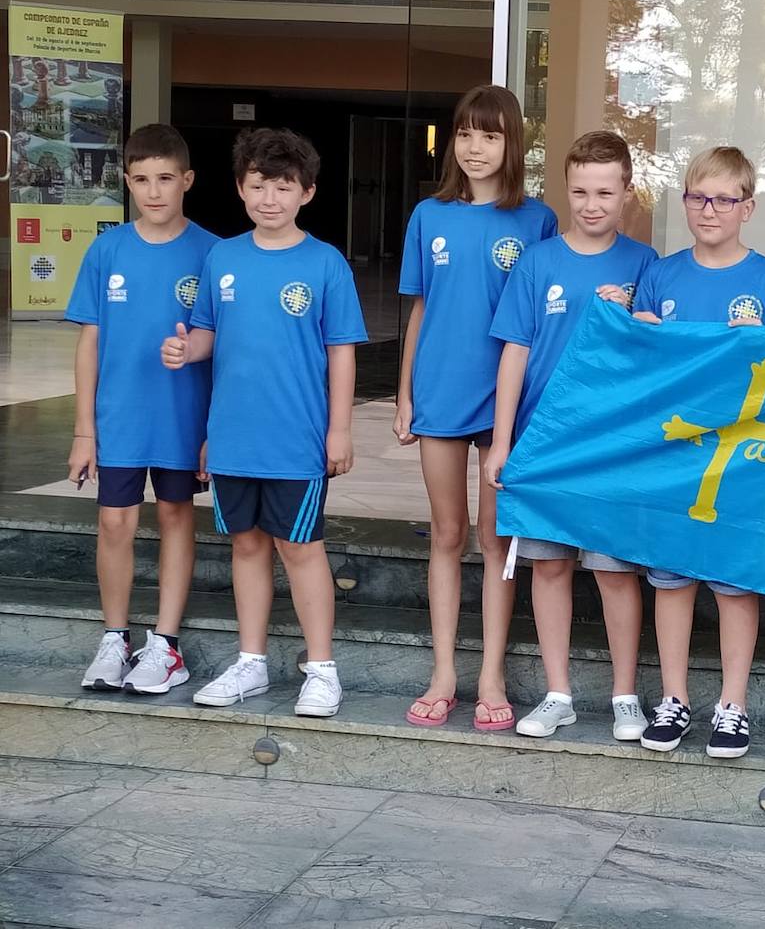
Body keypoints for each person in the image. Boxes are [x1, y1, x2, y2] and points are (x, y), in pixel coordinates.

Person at [162, 127, 368, 719]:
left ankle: (321, 668)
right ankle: (250, 662)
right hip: (233, 439)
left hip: (296, 439)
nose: (269, 198)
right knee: (247, 547)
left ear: (306, 192)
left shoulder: (325, 263)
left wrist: (340, 429)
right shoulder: (222, 257)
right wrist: (186, 351)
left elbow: (342, 352)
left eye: (283, 187)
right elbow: (206, 334)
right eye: (258, 186)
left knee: (301, 548)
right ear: (239, 188)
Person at [394, 85, 557, 731]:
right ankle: (443, 672)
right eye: (465, 134)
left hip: (504, 405)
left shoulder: (536, 220)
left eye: (490, 135)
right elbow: (419, 308)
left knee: (495, 540)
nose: (475, 147)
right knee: (447, 535)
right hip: (438, 393)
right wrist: (404, 392)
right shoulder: (428, 216)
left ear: (511, 142)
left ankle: (491, 674)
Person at [486, 130, 657, 740]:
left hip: (611, 445)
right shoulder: (539, 262)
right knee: (549, 567)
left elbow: (657, 355)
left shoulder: (644, 264)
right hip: (544, 444)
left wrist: (634, 321)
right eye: (581, 191)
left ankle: (624, 696)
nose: (592, 204)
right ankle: (557, 692)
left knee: (614, 571)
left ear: (626, 194)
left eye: (605, 192)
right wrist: (504, 441)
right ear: (566, 189)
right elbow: (514, 352)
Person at [631, 146, 765, 760]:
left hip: (742, 456)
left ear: (747, 209)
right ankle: (673, 698)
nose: (710, 209)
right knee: (670, 578)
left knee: (732, 581)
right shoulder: (663, 276)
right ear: (685, 201)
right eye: (699, 197)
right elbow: (637, 362)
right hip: (675, 453)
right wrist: (629, 326)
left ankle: (732, 704)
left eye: (725, 199)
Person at [67, 124, 218, 694]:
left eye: (164, 179)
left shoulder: (212, 252)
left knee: (177, 516)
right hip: (121, 417)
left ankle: (165, 644)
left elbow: (222, 346)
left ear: (187, 181)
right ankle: (114, 638)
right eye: (140, 180)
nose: (153, 191)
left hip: (183, 417)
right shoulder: (107, 250)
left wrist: (214, 431)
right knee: (115, 521)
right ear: (126, 182)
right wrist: (85, 431)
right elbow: (89, 343)